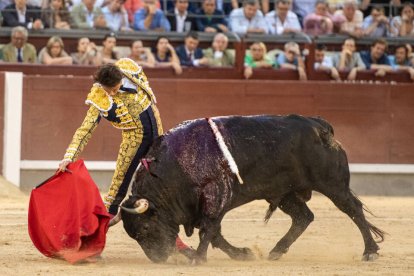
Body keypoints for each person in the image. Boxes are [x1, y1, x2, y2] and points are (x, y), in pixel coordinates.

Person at [57, 59, 195, 258]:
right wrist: (68, 157)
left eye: (113, 88)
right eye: (108, 90)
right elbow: (84, 130)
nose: (111, 94)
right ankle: (91, 245)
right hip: (133, 143)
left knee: (163, 194)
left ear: (120, 78)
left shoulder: (129, 69)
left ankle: (178, 245)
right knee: (115, 195)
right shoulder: (99, 97)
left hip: (159, 142)